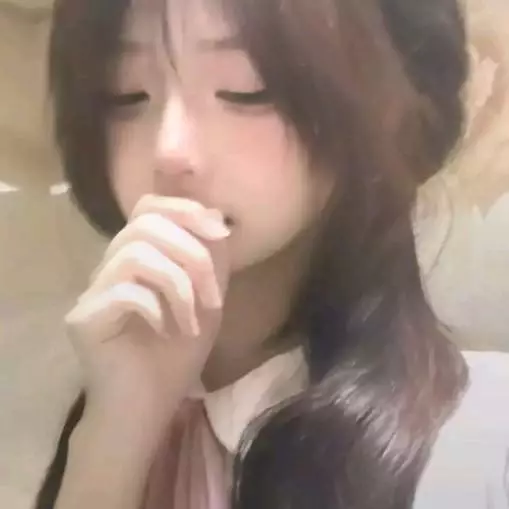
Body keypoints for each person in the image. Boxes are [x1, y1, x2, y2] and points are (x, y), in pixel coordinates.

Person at [35, 0, 509, 508]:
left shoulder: (483, 439)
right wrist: (111, 440)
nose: (169, 150)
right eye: (126, 94)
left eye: (245, 89)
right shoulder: (92, 418)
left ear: (386, 106)